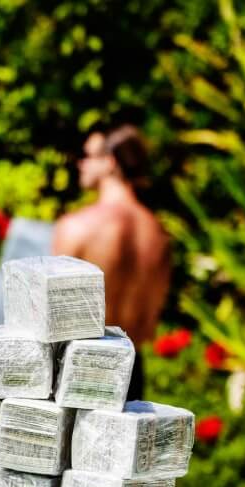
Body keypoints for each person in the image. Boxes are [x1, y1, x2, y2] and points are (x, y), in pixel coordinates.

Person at [50, 124, 171, 401]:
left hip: (78, 368)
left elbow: (51, 317)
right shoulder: (157, 234)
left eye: (87, 155)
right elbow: (149, 326)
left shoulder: (76, 227)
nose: (80, 163)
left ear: (110, 162)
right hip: (130, 372)